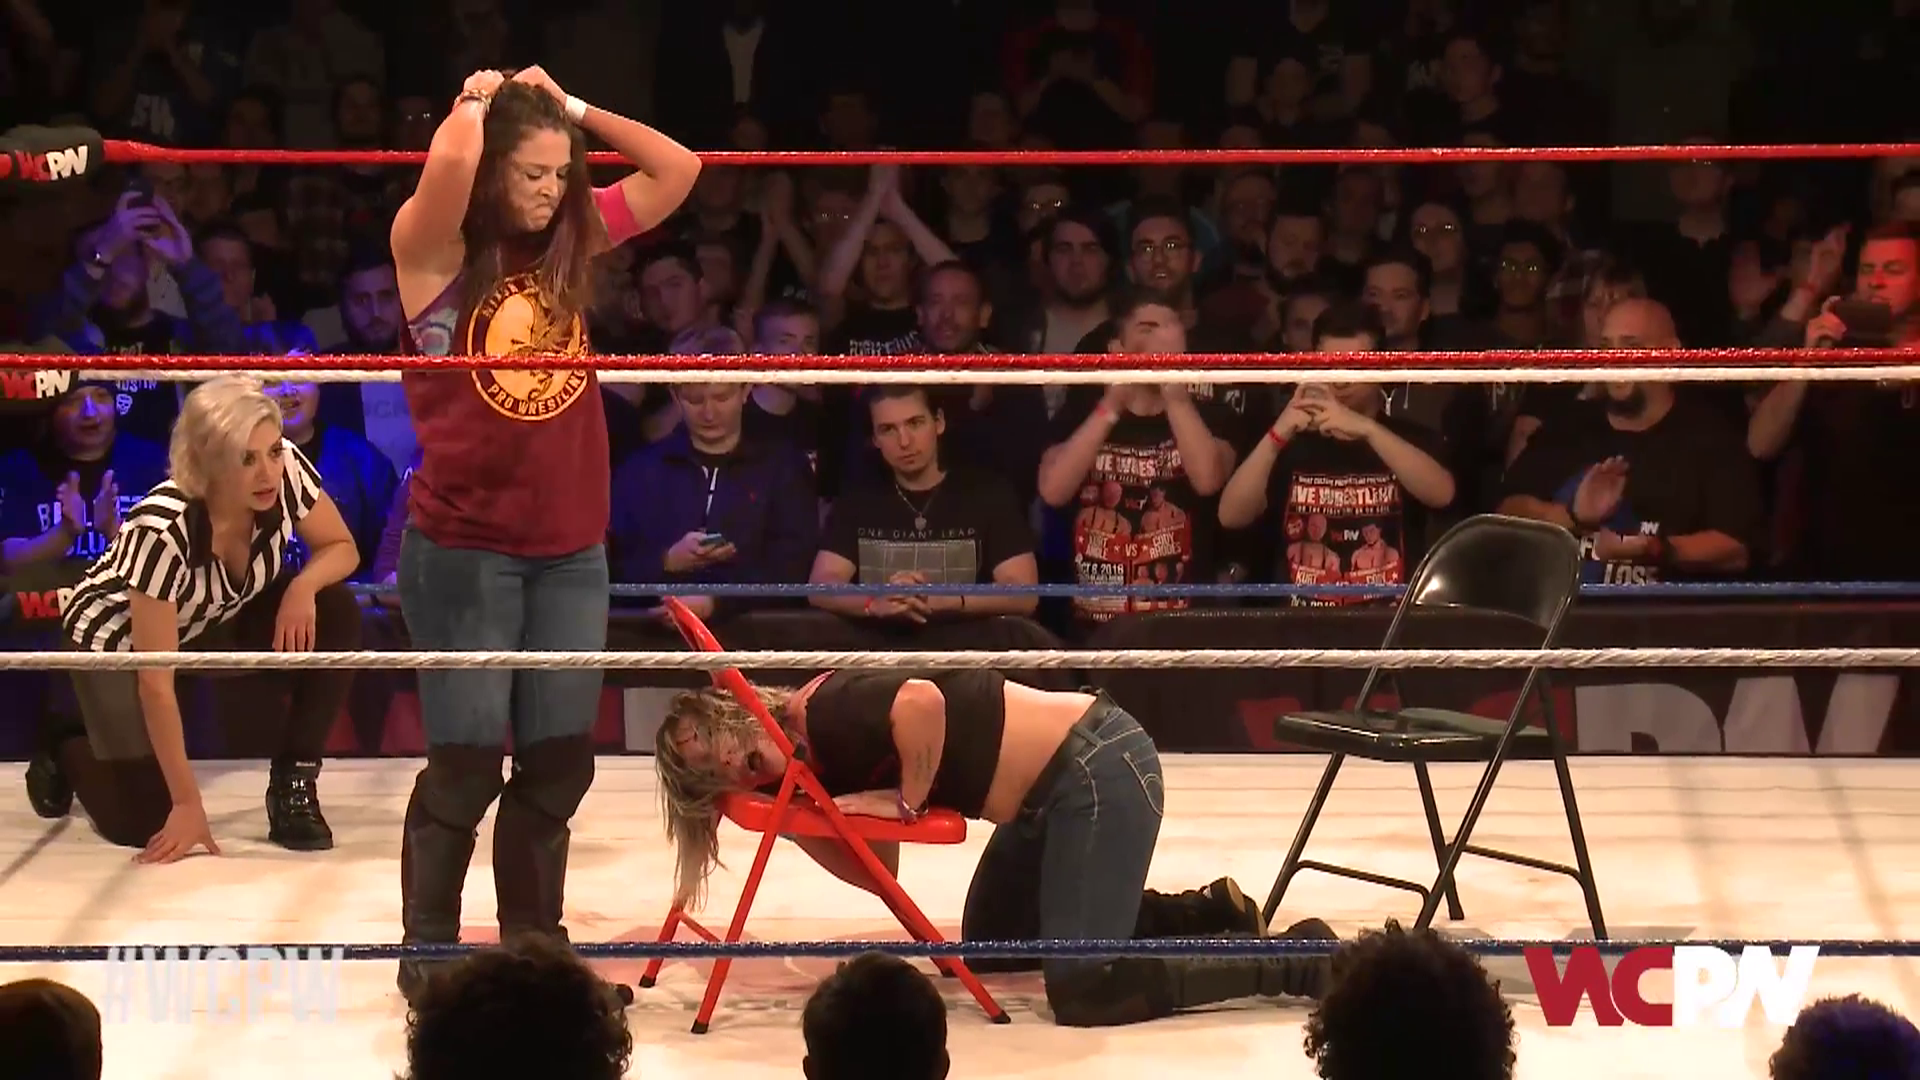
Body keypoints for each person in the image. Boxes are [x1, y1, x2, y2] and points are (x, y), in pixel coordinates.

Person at [387, 67, 700, 1001]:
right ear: (491, 171)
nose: (549, 190)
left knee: (561, 759)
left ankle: (537, 955)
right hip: (465, 547)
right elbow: (449, 163)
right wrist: (476, 101)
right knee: (466, 762)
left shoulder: (572, 232)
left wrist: (575, 109)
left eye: (562, 173)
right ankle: (429, 957)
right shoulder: (432, 249)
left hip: (569, 546)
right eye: (531, 174)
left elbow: (677, 169)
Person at [655, 670, 1339, 1027]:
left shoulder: (820, 712)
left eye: (717, 743)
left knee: (1084, 989)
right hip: (1046, 803)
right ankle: (1205, 913)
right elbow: (880, 870)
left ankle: (1297, 959)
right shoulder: (813, 761)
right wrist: (796, 815)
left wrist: (907, 801)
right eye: (711, 771)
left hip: (1097, 768)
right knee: (993, 945)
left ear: (735, 711)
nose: (727, 763)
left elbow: (922, 702)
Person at [43, 375, 362, 860]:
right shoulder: (162, 527)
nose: (267, 473)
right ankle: (63, 743)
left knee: (335, 608)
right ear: (209, 462)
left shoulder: (285, 471)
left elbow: (341, 547)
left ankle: (294, 780)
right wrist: (188, 803)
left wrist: (303, 585)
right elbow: (155, 682)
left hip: (209, 614)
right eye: (246, 459)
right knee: (143, 822)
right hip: (116, 640)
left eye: (273, 451)